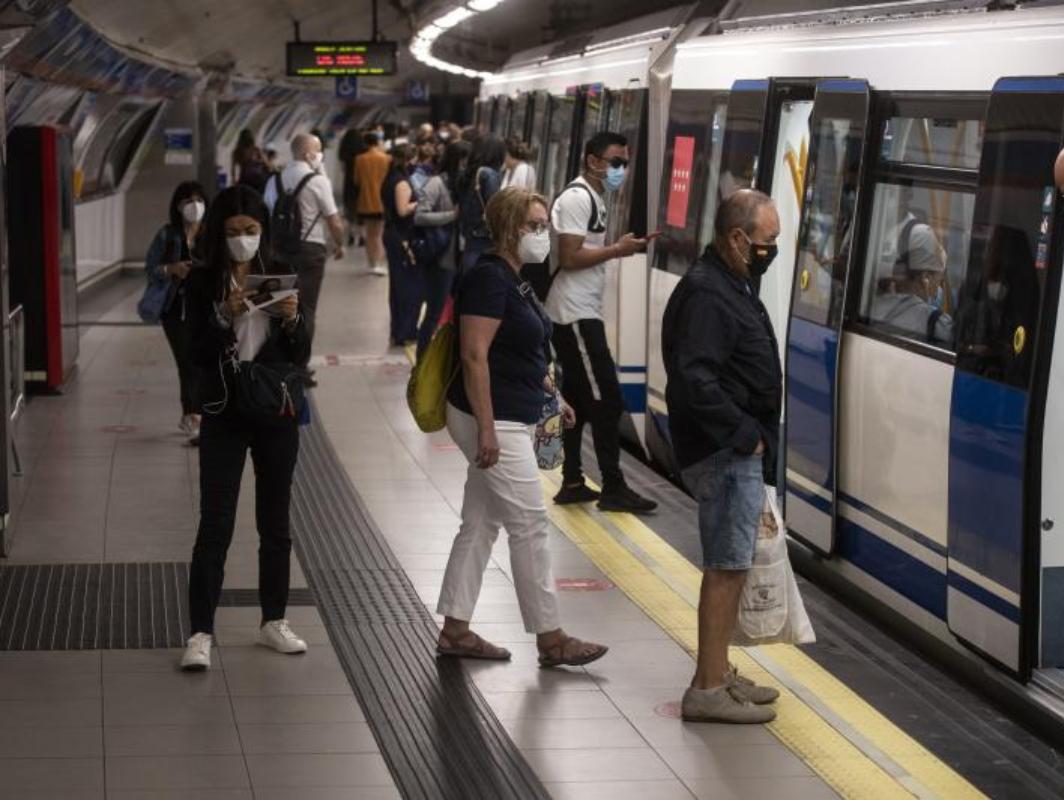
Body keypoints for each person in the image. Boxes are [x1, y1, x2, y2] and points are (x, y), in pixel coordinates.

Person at [437, 186, 608, 669]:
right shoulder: (490, 279)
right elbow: (474, 356)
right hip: (490, 417)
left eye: (544, 225)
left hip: (511, 411)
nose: (543, 234)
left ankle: (455, 628)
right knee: (529, 524)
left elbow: (526, 349)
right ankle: (551, 638)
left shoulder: (518, 279)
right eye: (534, 225)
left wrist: (556, 397)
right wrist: (487, 430)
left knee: (481, 522)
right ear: (510, 228)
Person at [661, 189, 783, 724]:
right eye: (768, 241)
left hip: (729, 449)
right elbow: (694, 378)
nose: (771, 250)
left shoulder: (729, 281)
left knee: (731, 564)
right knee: (727, 568)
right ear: (737, 238)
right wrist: (743, 435)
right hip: (723, 452)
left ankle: (719, 670)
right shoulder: (711, 294)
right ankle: (707, 689)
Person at [180, 185, 310, 671]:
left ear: (263, 231)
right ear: (218, 233)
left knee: (275, 521)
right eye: (233, 232)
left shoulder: (276, 276)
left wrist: (294, 321)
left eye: (251, 231)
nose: (242, 240)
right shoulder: (202, 281)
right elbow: (193, 351)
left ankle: (274, 620)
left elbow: (300, 355)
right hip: (224, 411)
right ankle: (199, 632)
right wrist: (221, 316)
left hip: (276, 411)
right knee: (215, 523)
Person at [546, 131, 657, 514]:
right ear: (593, 161)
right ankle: (613, 486)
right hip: (574, 314)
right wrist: (617, 250)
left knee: (577, 398)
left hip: (580, 311)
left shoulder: (593, 198)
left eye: (624, 163)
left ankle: (573, 480)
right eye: (615, 162)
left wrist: (622, 247)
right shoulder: (578, 198)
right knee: (609, 399)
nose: (620, 170)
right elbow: (571, 255)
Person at [263, 132, 345, 383]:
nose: (320, 155)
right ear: (309, 153)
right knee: (306, 308)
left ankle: (279, 360)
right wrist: (339, 244)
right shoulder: (318, 181)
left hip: (278, 250)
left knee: (279, 305)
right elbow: (333, 219)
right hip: (310, 250)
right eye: (318, 150)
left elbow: (266, 214)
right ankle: (300, 364)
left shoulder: (274, 180)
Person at [144, 181, 208, 445]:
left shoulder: (210, 234)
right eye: (187, 200)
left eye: (198, 199)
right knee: (187, 361)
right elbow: (151, 268)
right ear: (177, 205)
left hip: (204, 307)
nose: (194, 205)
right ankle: (193, 413)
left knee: (202, 361)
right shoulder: (167, 235)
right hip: (174, 309)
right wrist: (172, 269)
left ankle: (197, 412)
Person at [870, 209, 953, 346]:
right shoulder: (933, 322)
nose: (939, 288)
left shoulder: (872, 305)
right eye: (939, 280)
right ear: (925, 278)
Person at [413, 140, 461, 359]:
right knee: (433, 314)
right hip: (440, 258)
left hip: (455, 258)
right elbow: (420, 216)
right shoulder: (436, 183)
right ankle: (421, 362)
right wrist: (451, 216)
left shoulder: (462, 185)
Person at [382, 144, 423, 346]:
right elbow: (402, 210)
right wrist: (419, 202)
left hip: (392, 235)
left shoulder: (389, 178)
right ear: (408, 160)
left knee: (398, 286)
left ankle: (398, 329)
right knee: (409, 286)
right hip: (403, 237)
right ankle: (405, 331)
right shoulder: (402, 183)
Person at [457, 134, 505, 277]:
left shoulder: (468, 173)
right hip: (484, 239)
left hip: (470, 237)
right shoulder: (489, 174)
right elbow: (495, 208)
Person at [355, 131, 391, 276]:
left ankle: (371, 263)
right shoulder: (386, 158)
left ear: (365, 143)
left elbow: (356, 180)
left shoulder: (360, 159)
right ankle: (379, 263)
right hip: (382, 201)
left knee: (369, 234)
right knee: (379, 234)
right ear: (378, 142)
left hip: (365, 200)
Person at [338, 126, 367, 246]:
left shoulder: (345, 154)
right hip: (360, 182)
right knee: (360, 209)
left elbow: (342, 168)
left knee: (350, 208)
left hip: (348, 182)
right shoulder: (363, 152)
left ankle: (350, 235)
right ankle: (361, 236)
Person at [232, 129, 269, 193]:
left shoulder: (237, 151)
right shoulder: (255, 149)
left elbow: (233, 169)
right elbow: (266, 163)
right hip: (256, 180)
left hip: (243, 180)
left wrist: (234, 181)